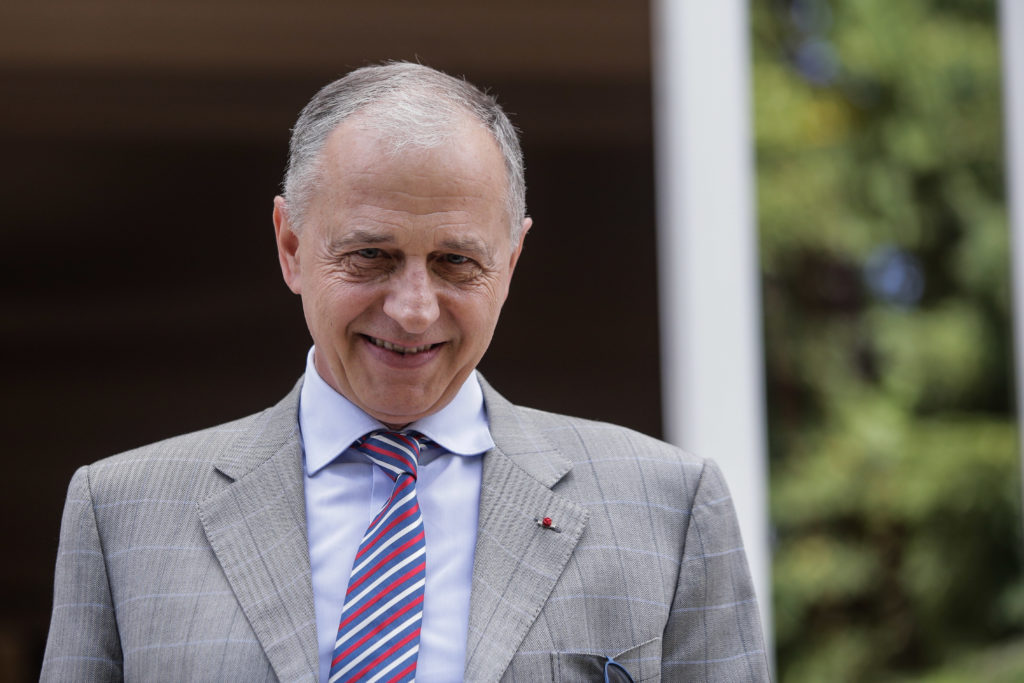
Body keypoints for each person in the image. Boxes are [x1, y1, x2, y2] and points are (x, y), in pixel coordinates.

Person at [41, 62, 770, 682]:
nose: (414, 310)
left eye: (456, 261)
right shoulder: (123, 515)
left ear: (511, 262)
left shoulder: (668, 508)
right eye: (370, 256)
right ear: (291, 247)